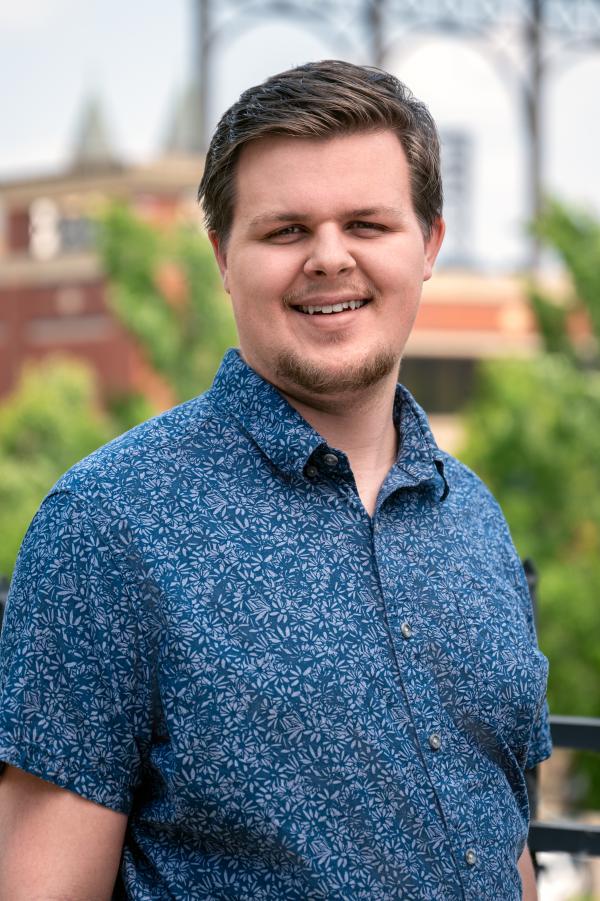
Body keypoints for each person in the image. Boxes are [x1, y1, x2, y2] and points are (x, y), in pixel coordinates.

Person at [0, 60, 550, 900]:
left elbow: (503, 834)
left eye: (367, 223)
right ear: (224, 256)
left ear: (429, 245)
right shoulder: (107, 526)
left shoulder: (475, 517)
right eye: (286, 230)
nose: (329, 258)